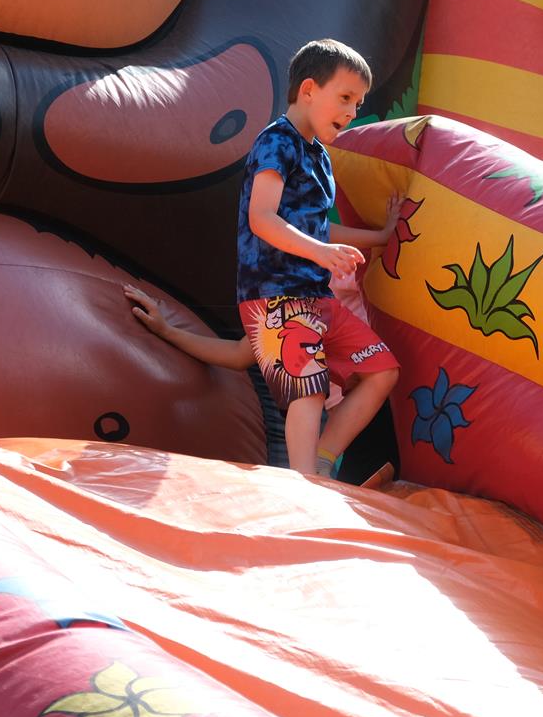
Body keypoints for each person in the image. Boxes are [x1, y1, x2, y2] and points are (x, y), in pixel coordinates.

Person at [155, 38, 399, 478]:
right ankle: (305, 482)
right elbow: (262, 218)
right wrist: (322, 252)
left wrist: (379, 237)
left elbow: (315, 227)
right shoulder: (276, 141)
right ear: (308, 90)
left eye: (359, 104)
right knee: (308, 390)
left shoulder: (319, 156)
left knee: (382, 371)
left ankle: (321, 462)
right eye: (345, 98)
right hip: (276, 295)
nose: (352, 112)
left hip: (313, 296)